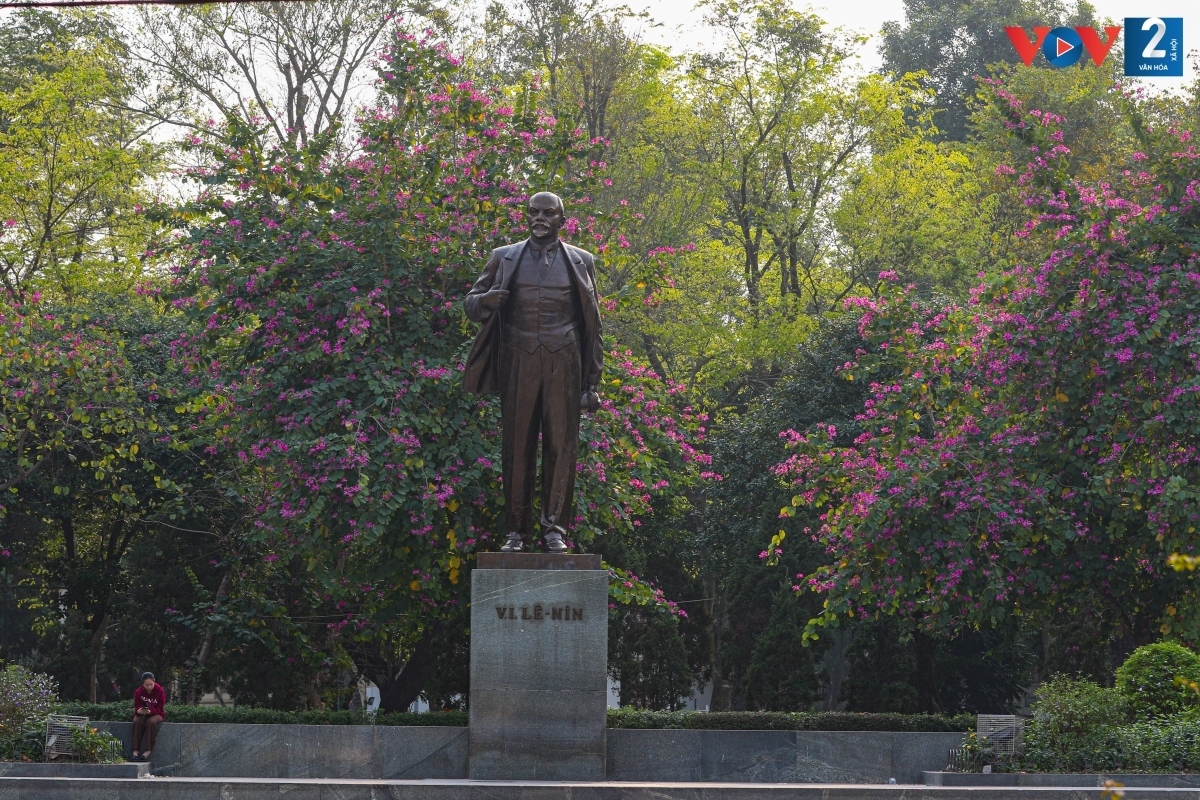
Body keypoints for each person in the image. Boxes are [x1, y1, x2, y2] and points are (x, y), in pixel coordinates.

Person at [462, 191, 602, 553]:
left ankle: (554, 529)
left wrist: (592, 383)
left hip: (565, 362)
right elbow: (471, 304)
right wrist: (486, 301)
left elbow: (593, 326)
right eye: (533, 212)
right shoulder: (503, 257)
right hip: (518, 360)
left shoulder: (582, 261)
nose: (539, 218)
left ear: (562, 219)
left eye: (548, 213)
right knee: (516, 446)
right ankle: (515, 532)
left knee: (561, 446)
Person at [131, 671, 166, 761]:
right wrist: (139, 711)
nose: (149, 687)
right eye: (146, 685)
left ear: (154, 682)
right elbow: (137, 705)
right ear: (143, 684)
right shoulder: (139, 692)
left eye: (151, 684)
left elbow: (160, 707)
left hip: (157, 714)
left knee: (151, 722)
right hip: (142, 713)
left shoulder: (160, 691)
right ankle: (135, 751)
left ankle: (148, 751)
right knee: (137, 722)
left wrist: (150, 711)